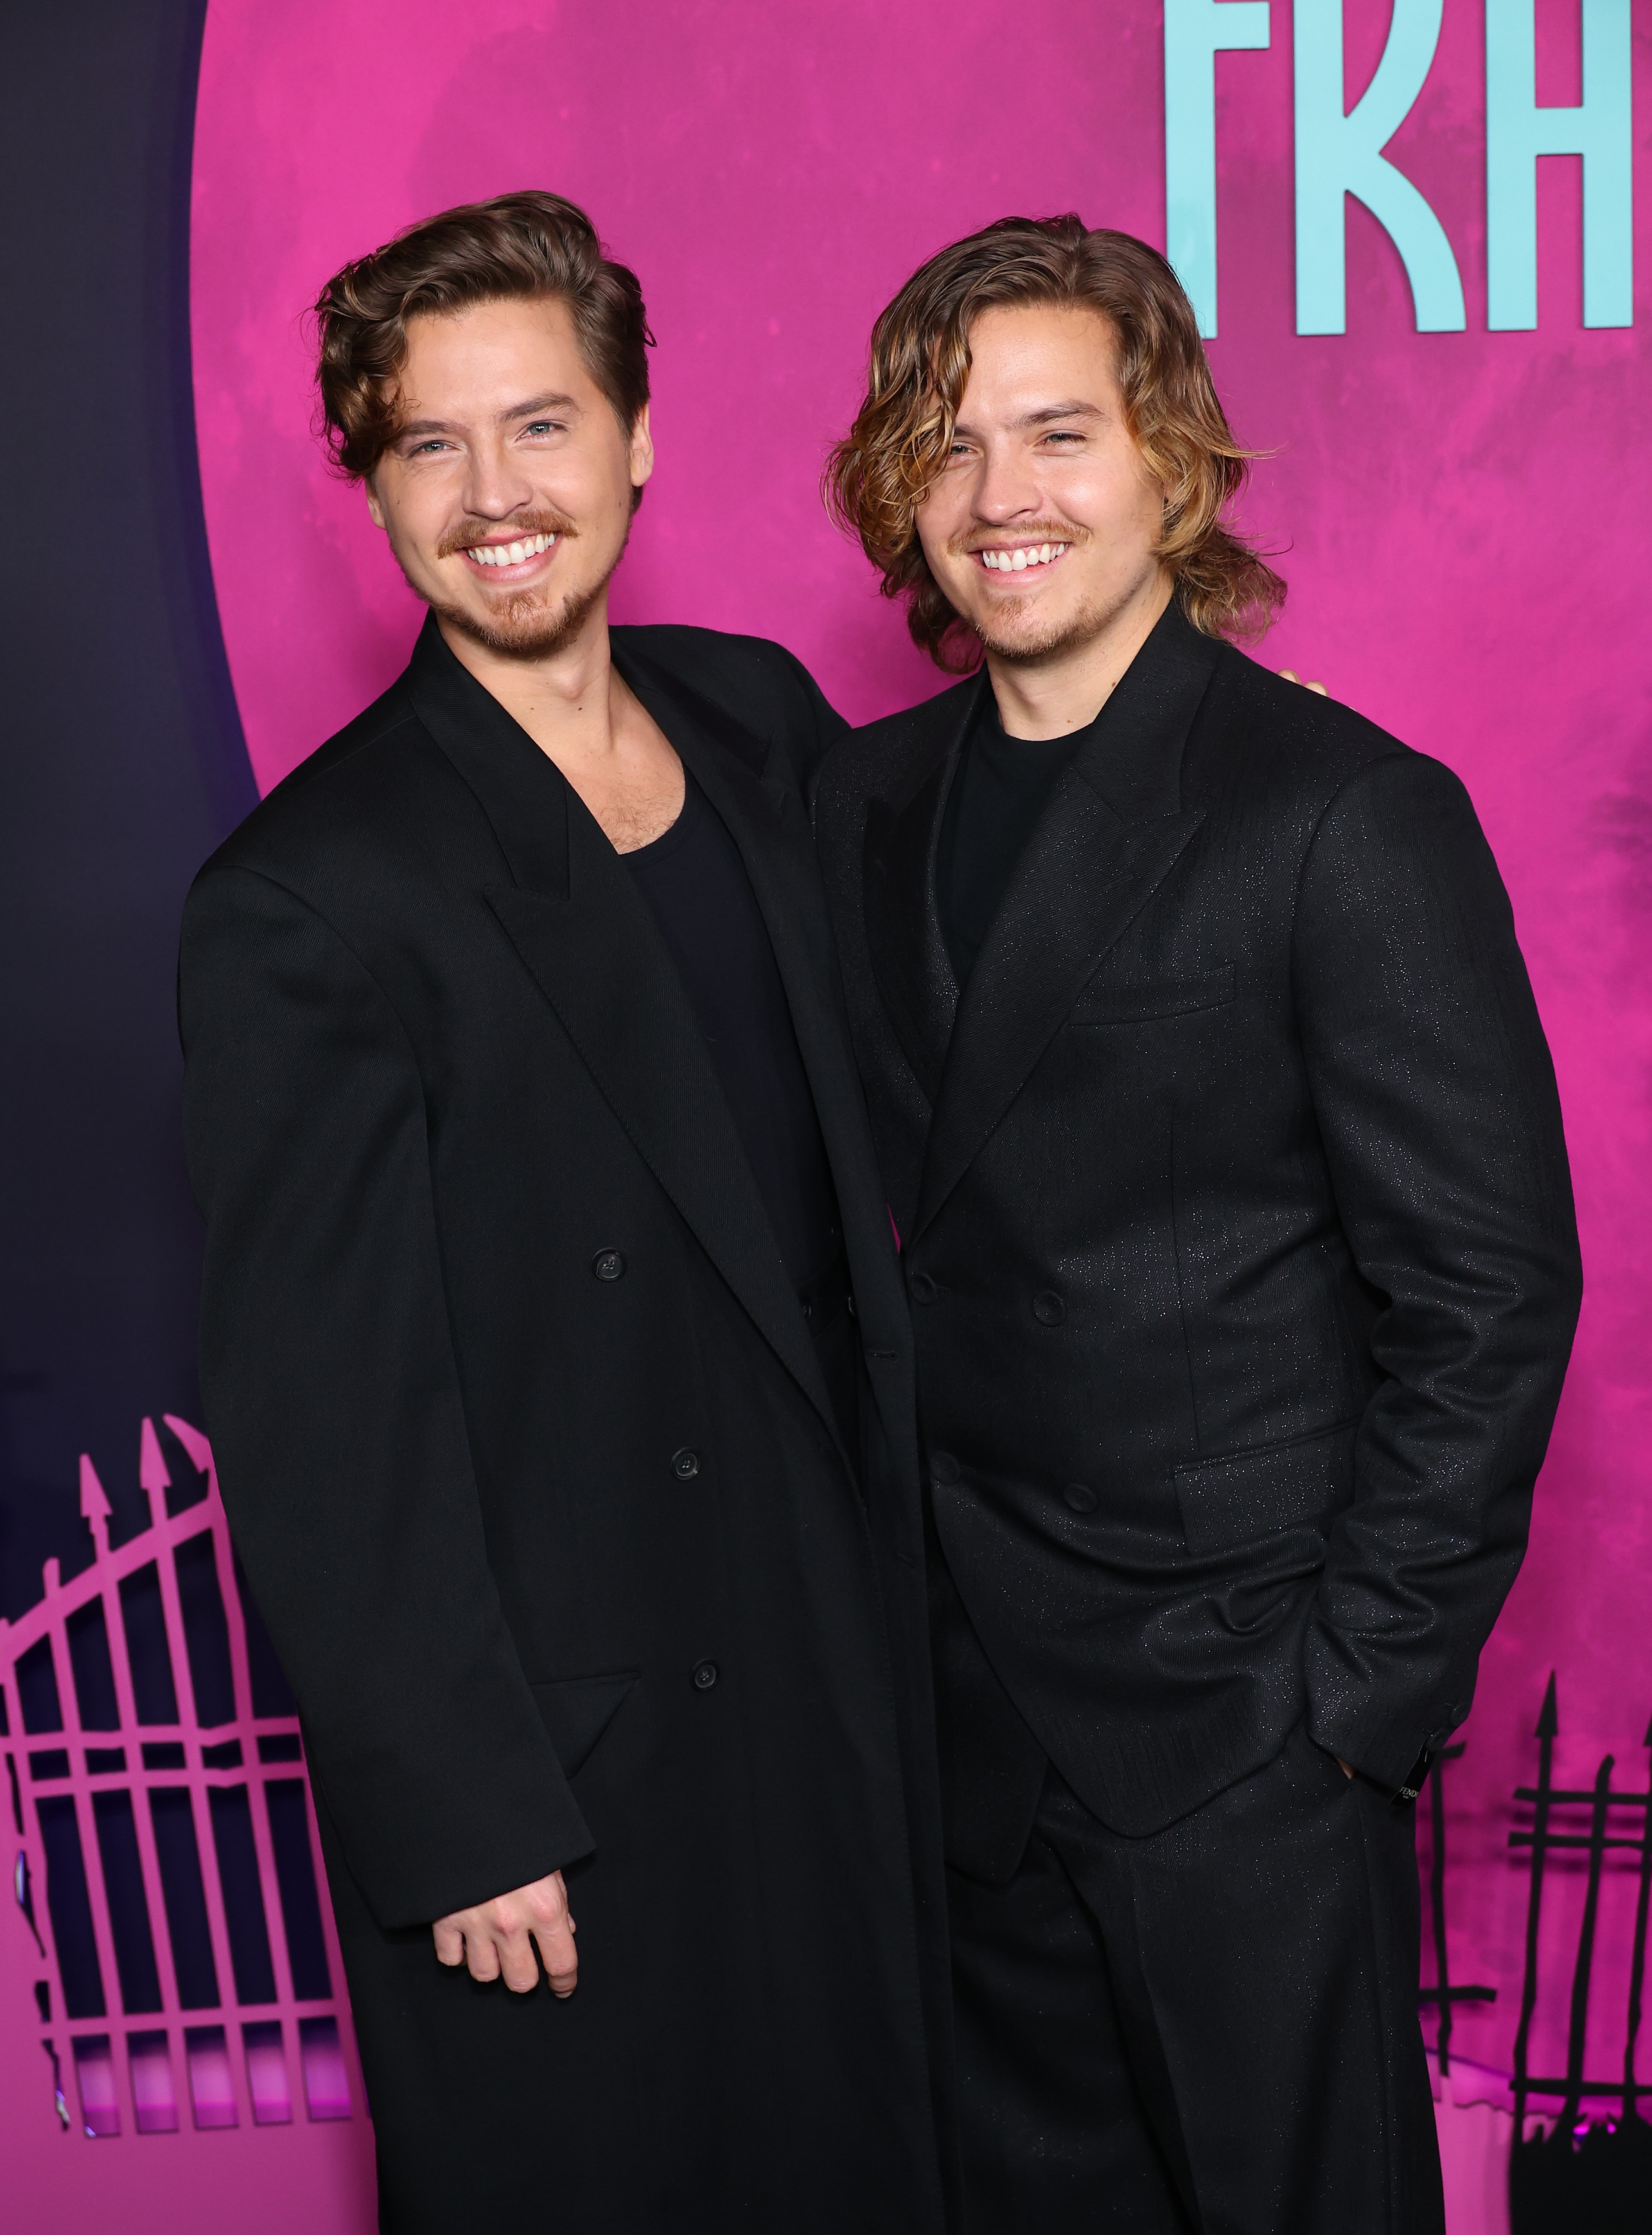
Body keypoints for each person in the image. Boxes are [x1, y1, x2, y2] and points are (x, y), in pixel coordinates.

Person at [178, 191, 953, 2234]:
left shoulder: (758, 720)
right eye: (428, 445)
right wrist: (457, 1813)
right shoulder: (312, 893)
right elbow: (322, 1421)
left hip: (830, 1660)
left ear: (636, 440)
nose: (494, 496)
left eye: (539, 425)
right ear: (372, 488)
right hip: (572, 1766)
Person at [814, 215, 1583, 2235]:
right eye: (948, 441)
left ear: (1169, 462)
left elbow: (1487, 1292)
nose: (1000, 492)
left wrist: (1347, 1716)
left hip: (1240, 1742)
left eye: (1057, 432)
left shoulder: (1336, 811)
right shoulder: (851, 810)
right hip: (959, 1743)